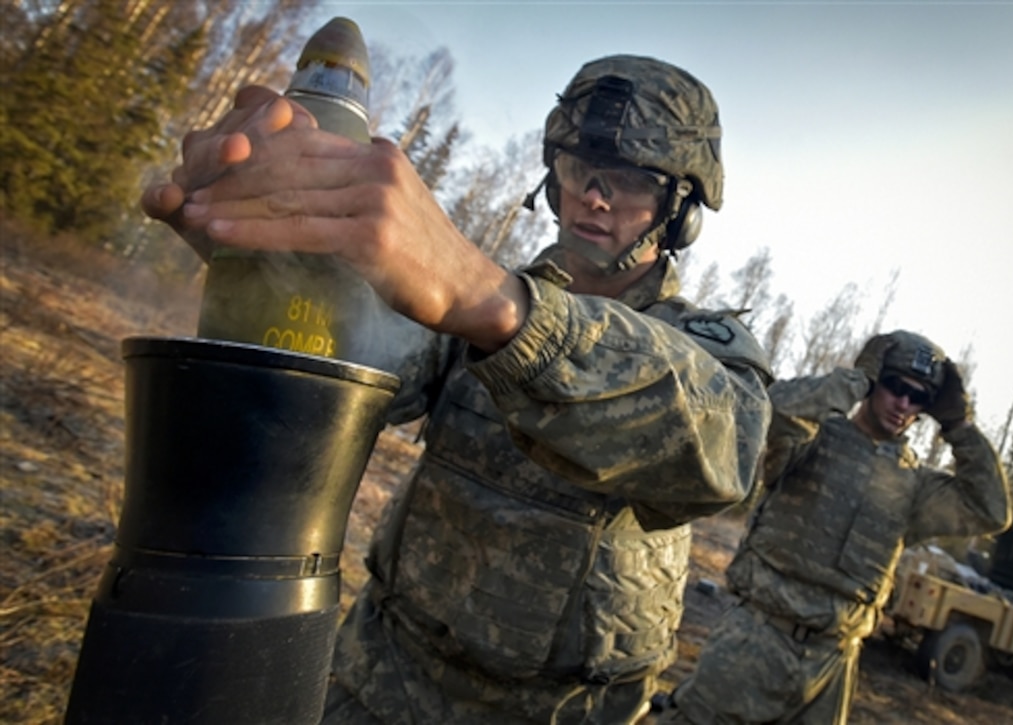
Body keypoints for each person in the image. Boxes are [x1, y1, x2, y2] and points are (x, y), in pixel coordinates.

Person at [142, 54, 773, 724]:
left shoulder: (699, 344)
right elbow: (359, 356)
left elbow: (723, 446)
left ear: (680, 210)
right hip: (379, 676)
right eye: (578, 167)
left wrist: (499, 309)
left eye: (631, 180)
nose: (594, 194)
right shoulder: (466, 309)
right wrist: (269, 255)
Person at [657, 329, 1011, 724]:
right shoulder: (814, 434)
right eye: (895, 387)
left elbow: (991, 510)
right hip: (756, 640)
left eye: (919, 398)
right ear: (876, 382)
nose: (904, 403)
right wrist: (855, 381)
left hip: (833, 661)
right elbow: (774, 408)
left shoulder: (915, 486)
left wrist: (959, 426)